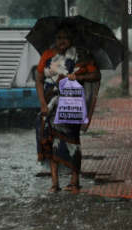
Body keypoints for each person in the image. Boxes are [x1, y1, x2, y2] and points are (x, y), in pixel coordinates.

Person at [35, 25, 101, 194]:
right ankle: (55, 183)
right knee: (49, 139)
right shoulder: (47, 55)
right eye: (58, 37)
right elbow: (39, 80)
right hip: (51, 102)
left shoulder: (82, 55)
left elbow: (96, 75)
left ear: (71, 39)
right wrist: (43, 103)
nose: (61, 41)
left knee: (72, 140)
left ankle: (74, 181)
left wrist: (78, 76)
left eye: (65, 37)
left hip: (72, 101)